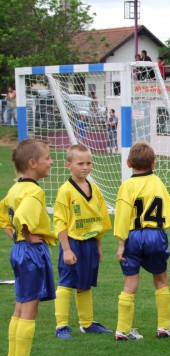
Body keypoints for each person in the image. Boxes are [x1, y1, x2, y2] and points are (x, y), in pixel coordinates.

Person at [113, 141, 170, 340]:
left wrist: (121, 243)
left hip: (133, 235)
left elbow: (122, 215)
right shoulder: (158, 182)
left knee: (130, 282)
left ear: (128, 163)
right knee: (161, 279)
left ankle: (122, 330)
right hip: (155, 235)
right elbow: (169, 212)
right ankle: (163, 327)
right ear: (153, 164)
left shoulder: (126, 186)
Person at [1, 139, 56, 356]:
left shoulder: (15, 188)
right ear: (32, 163)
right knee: (30, 307)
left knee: (21, 304)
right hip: (31, 252)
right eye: (47, 158)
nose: (51, 162)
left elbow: (4, 213)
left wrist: (15, 237)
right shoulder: (34, 191)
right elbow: (22, 215)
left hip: (19, 250)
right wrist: (27, 234)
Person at [53, 145, 113, 339]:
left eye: (88, 163)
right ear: (68, 165)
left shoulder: (94, 188)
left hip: (89, 243)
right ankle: (61, 326)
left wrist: (98, 245)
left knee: (85, 283)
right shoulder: (65, 191)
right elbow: (60, 221)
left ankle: (86, 323)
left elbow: (100, 217)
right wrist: (67, 249)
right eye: (80, 163)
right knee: (66, 283)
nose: (85, 167)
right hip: (72, 243)